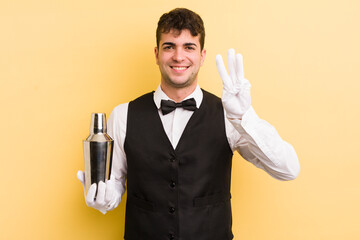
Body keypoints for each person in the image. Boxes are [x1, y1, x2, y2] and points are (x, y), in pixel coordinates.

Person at [77, 8, 300, 240]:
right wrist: (101, 199)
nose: (178, 56)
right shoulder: (122, 115)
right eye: (169, 46)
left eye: (189, 47)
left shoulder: (229, 115)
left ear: (202, 56)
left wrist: (245, 117)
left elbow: (288, 170)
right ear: (156, 54)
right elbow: (113, 188)